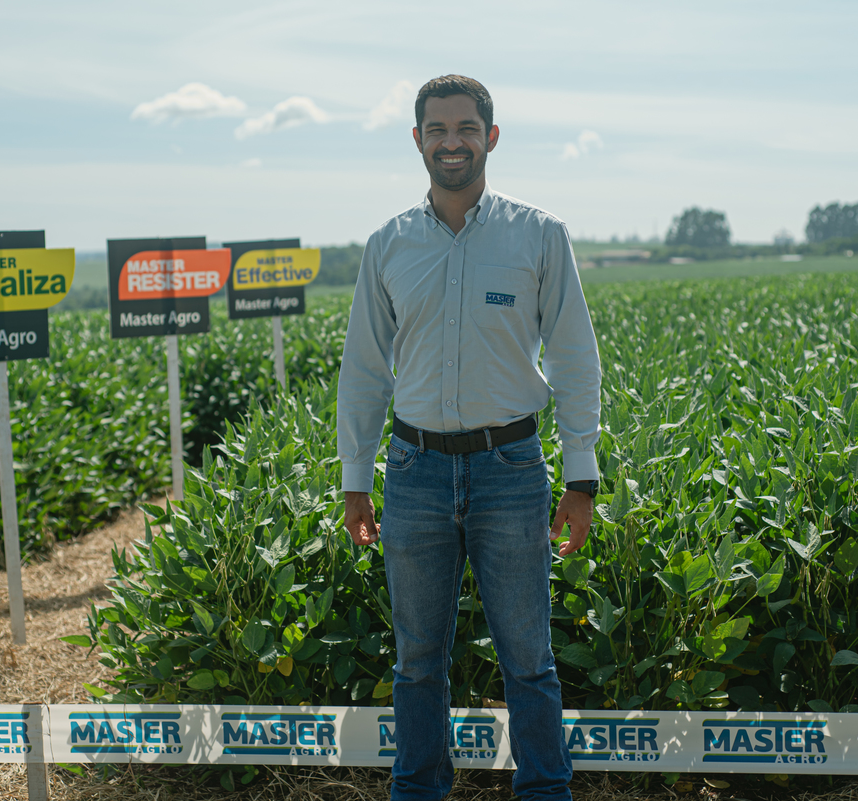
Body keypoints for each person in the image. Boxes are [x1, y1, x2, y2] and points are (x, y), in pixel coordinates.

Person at [338, 74, 602, 801]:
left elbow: (575, 358)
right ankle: (418, 790)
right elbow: (364, 370)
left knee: (528, 657)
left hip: (510, 469)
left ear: (491, 137)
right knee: (417, 661)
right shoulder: (387, 245)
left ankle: (544, 791)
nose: (450, 142)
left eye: (465, 129)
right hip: (414, 472)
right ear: (417, 139)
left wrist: (581, 476)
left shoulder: (539, 234)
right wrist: (355, 479)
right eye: (437, 129)